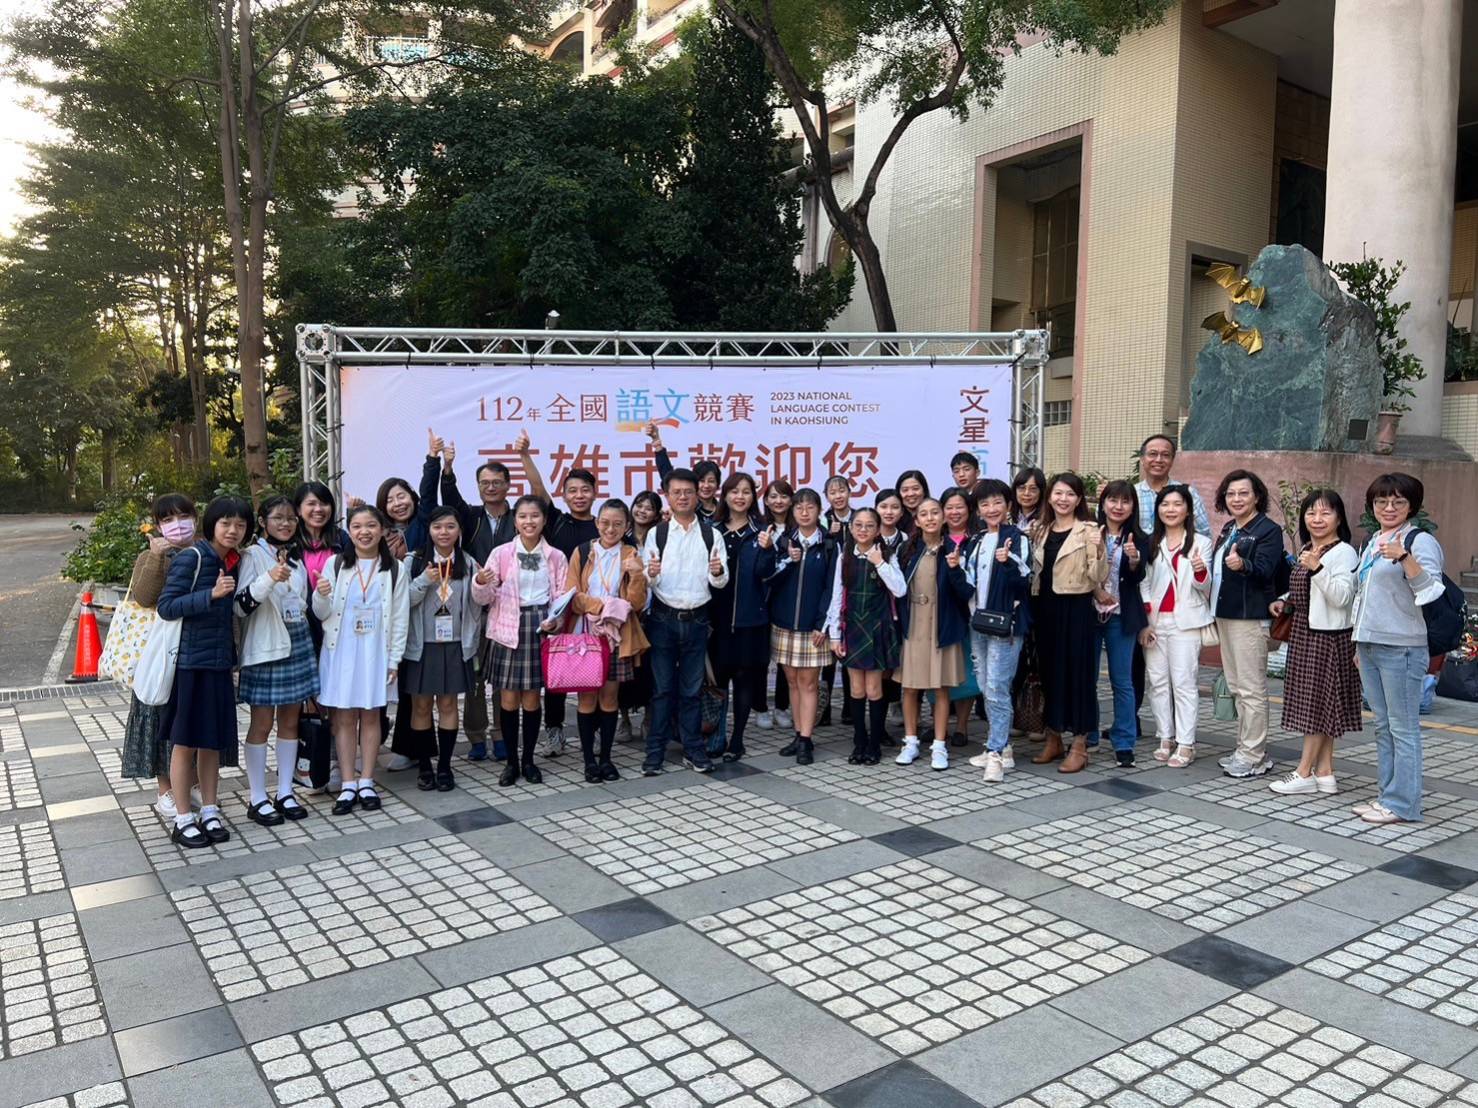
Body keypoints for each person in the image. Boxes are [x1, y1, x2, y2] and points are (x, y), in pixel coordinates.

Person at [156, 496, 253, 848]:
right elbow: (166, 606)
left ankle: (210, 810)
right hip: (190, 665)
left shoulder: (233, 561)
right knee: (185, 743)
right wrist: (210, 594)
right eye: (226, 523)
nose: (232, 530)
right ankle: (183, 818)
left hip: (218, 664)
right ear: (211, 524)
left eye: (240, 525)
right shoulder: (193, 557)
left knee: (211, 742)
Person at [1350, 473, 1445, 824]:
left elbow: (1432, 590)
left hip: (1402, 647)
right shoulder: (1373, 540)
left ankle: (1403, 804)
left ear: (1411, 506)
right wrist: (1358, 641)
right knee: (1383, 726)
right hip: (1370, 644)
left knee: (1403, 728)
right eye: (1381, 501)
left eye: (1398, 501)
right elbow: (1364, 595)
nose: (1389, 508)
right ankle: (1387, 796)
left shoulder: (1420, 541)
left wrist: (1405, 557)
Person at [313, 505, 411, 814]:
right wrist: (321, 594)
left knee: (371, 716)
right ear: (349, 531)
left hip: (376, 652)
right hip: (341, 651)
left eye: (371, 525)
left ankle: (367, 781)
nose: (364, 532)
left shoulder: (396, 569)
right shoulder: (335, 564)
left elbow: (401, 617)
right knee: (343, 718)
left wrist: (394, 659)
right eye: (357, 526)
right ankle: (347, 783)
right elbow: (321, 613)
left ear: (382, 530)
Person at [471, 495, 570, 787]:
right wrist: (480, 582)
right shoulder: (501, 553)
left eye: (535, 516)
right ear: (515, 521)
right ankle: (511, 763)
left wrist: (556, 622)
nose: (529, 521)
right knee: (508, 699)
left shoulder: (556, 556)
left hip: (539, 628)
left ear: (544, 520)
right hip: (507, 628)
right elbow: (484, 598)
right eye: (523, 516)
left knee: (532, 699)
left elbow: (561, 597)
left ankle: (529, 760)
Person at [1269, 489, 1361, 797]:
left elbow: (1342, 597)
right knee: (1324, 705)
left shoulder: (1343, 552)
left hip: (1328, 638)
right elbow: (1307, 592)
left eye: (1325, 513)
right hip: (1307, 634)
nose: (1317, 519)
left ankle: (1303, 771)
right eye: (1311, 513)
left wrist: (1317, 569)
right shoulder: (1311, 548)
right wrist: (1284, 600)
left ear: (1339, 518)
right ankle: (1325, 772)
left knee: (1318, 708)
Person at [642, 468, 730, 775]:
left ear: (698, 495)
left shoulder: (711, 534)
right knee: (662, 690)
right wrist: (651, 574)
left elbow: (719, 581)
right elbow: (648, 581)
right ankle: (655, 752)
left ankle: (694, 750)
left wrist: (717, 571)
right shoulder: (657, 534)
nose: (682, 497)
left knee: (692, 691)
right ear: (667, 496)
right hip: (662, 619)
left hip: (697, 621)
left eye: (688, 492)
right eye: (676, 492)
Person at [236, 496, 317, 825]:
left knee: (290, 721)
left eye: (291, 519)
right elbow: (240, 605)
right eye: (278, 518)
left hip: (297, 641)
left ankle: (285, 791)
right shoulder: (252, 556)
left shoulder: (296, 557)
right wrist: (269, 577)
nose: (286, 524)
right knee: (261, 723)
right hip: (267, 646)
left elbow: (303, 602)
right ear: (262, 521)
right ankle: (257, 797)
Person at [120, 493, 199, 819]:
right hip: (159, 655)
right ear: (157, 525)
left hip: (195, 651)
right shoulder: (150, 556)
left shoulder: (204, 553)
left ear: (195, 518)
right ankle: (165, 789)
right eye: (167, 519)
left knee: (192, 720)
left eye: (183, 516)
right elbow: (143, 596)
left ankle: (191, 783)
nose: (177, 524)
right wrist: (155, 557)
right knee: (160, 719)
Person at [437, 437, 517, 762]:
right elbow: (450, 499)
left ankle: (501, 734)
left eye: (497, 482)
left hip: (509, 608)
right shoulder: (471, 517)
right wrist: (447, 468)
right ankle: (475, 736)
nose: (491, 487)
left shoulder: (520, 518)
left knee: (504, 677)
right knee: (474, 674)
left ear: (508, 485)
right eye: (485, 483)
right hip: (473, 606)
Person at [520, 430, 599, 757]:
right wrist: (525, 455)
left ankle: (593, 732)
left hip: (592, 611)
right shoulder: (556, 521)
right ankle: (554, 733)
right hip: (558, 609)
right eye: (573, 491)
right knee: (557, 671)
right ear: (564, 496)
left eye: (585, 490)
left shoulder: (603, 526)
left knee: (594, 669)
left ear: (595, 493)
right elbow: (537, 488)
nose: (579, 496)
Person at [1029, 474, 1108, 773]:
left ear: (1079, 499)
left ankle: (1079, 745)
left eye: (1070, 494)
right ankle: (1054, 739)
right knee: (1050, 674)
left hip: (1076, 610)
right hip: (1045, 609)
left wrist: (1099, 548)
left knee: (1078, 676)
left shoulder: (1088, 530)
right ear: (1049, 497)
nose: (1063, 499)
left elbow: (1098, 575)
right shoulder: (1041, 530)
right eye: (1058, 493)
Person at [400, 507, 483, 792]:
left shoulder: (468, 563)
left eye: (450, 526)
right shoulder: (413, 561)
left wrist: (483, 585)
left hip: (455, 645)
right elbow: (402, 602)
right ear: (429, 530)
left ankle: (445, 766)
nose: (444, 532)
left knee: (448, 705)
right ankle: (425, 765)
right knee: (421, 706)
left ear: (459, 530)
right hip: (421, 646)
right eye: (437, 527)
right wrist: (424, 580)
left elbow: (478, 603)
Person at [1210, 469, 1285, 778]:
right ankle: (1246, 749)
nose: (1236, 499)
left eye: (1243, 493)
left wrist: (1243, 565)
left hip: (1250, 617)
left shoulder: (1268, 530)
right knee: (1238, 687)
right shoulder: (1230, 527)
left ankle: (1253, 755)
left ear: (1257, 497)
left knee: (1251, 688)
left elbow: (1266, 569)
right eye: (1231, 494)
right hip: (1226, 614)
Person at [567, 499, 648, 782]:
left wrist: (636, 574)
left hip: (617, 637)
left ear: (626, 527)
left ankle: (606, 758)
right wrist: (605, 606)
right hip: (586, 635)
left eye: (617, 524)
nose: (610, 529)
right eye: (604, 523)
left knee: (610, 697)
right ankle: (589, 761)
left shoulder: (631, 553)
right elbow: (572, 596)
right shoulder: (582, 552)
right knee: (587, 697)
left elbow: (636, 603)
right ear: (596, 522)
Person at [961, 480, 1032, 782]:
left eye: (997, 502)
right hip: (977, 623)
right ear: (978, 510)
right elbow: (966, 584)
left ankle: (995, 754)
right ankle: (1003, 747)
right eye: (984, 504)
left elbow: (1025, 583)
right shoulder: (975, 540)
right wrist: (953, 569)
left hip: (1007, 625)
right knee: (986, 686)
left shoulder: (1017, 538)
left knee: (997, 687)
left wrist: (1007, 564)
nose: (991, 509)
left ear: (1008, 505)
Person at [1140, 485, 1214, 768]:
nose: (1170, 509)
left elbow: (1204, 586)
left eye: (1177, 504)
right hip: (1156, 622)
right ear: (1158, 509)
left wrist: (1199, 570)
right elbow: (1144, 583)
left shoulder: (1201, 543)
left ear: (1188, 510)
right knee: (1157, 681)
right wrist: (1147, 619)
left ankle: (1186, 743)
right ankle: (1165, 737)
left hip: (1186, 622)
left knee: (1183, 683)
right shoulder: (1150, 542)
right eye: (1165, 504)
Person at [895, 497, 971, 770]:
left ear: (943, 517)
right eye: (923, 514)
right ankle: (911, 742)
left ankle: (939, 745)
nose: (929, 518)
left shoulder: (955, 548)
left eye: (934, 513)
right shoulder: (907, 549)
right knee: (910, 686)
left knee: (940, 687)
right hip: (914, 623)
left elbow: (966, 592)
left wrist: (955, 569)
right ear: (916, 521)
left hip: (942, 623)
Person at [826, 508, 906, 764]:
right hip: (852, 628)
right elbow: (836, 596)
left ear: (878, 529)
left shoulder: (887, 554)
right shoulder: (844, 557)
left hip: (877, 627)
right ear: (850, 529)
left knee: (873, 688)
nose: (863, 530)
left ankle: (874, 744)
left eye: (869, 525)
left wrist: (879, 563)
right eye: (858, 525)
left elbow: (900, 589)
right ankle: (859, 741)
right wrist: (835, 635)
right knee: (857, 689)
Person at [766, 488, 835, 765]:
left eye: (810, 507)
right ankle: (797, 734)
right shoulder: (783, 541)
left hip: (813, 628)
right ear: (792, 512)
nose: (804, 513)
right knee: (792, 681)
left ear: (819, 511)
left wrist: (822, 623)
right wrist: (788, 562)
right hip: (783, 625)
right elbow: (768, 579)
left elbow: (832, 588)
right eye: (799, 508)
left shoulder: (829, 545)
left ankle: (806, 739)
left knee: (808, 684)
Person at [707, 474, 771, 763]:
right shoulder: (712, 530)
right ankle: (717, 736)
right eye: (734, 491)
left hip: (750, 622)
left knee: (744, 680)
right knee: (718, 682)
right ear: (725, 495)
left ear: (753, 497)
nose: (740, 497)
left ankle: (737, 739)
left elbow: (766, 574)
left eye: (746, 492)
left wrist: (767, 549)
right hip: (716, 621)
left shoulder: (762, 531)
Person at [1092, 480, 1148, 767]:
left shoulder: (1139, 537)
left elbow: (1138, 578)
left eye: (1125, 501)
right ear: (1103, 503)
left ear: (1133, 506)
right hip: (1089, 615)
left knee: (1122, 681)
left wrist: (1134, 560)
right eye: (1113, 500)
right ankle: (1088, 735)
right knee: (1087, 678)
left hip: (1121, 617)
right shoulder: (1089, 532)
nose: (1118, 506)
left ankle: (1124, 742)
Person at [617, 489, 664, 742]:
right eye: (639, 505)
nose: (642, 511)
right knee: (624, 670)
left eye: (649, 507)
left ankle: (648, 718)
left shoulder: (662, 539)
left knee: (650, 671)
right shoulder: (621, 539)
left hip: (654, 614)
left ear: (656, 514)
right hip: (627, 614)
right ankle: (623, 719)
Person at [939, 486, 981, 746]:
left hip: (968, 614)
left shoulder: (978, 539)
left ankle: (962, 727)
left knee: (966, 671)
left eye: (959, 507)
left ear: (969, 509)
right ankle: (939, 725)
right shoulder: (935, 537)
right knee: (939, 672)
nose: (954, 512)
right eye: (949, 507)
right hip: (939, 614)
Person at [758, 478, 797, 731]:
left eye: (783, 496)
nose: (778, 501)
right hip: (762, 601)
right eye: (773, 496)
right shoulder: (760, 526)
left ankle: (782, 706)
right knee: (761, 659)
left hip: (790, 601)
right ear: (765, 500)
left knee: (786, 660)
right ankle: (761, 708)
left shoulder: (799, 528)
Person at [820, 476, 855, 728]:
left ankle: (849, 709)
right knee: (827, 662)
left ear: (849, 492)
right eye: (832, 492)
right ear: (827, 496)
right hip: (829, 589)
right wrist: (829, 537)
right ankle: (823, 711)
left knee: (849, 656)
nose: (838, 495)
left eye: (841, 490)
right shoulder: (822, 521)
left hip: (853, 591)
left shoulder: (859, 518)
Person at [1134, 434, 1210, 536]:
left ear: (1172, 460)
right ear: (1142, 459)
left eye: (1165, 455)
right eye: (1153, 454)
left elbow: (1204, 532)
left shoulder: (1187, 493)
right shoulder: (1132, 493)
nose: (1158, 460)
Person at [647, 422, 723, 518]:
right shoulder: (685, 507)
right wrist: (657, 443)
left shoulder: (724, 512)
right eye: (702, 481)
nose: (706, 485)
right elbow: (667, 474)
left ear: (718, 484)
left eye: (711, 481)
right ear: (694, 484)